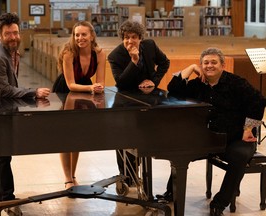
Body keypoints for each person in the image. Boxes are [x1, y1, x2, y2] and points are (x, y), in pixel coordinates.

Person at [166, 47, 266, 216]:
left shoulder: (236, 83)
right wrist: (190, 68)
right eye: (205, 63)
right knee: (180, 151)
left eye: (214, 62)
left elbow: (259, 100)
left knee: (239, 156)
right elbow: (173, 90)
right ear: (201, 66)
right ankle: (171, 192)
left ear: (222, 65)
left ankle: (219, 203)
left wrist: (248, 128)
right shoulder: (197, 84)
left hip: (235, 138)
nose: (209, 66)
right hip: (206, 138)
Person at [0, 12, 50, 203]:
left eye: (16, 33)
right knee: (2, 156)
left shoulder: (9, 51)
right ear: (0, 34)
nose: (14, 37)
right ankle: (7, 198)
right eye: (8, 33)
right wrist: (33, 92)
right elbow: (5, 90)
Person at [107, 20, 170, 186]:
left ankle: (137, 172)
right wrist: (134, 61)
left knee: (142, 137)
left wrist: (154, 81)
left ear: (140, 38)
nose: (129, 41)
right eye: (126, 37)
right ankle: (126, 176)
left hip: (147, 99)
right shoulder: (115, 56)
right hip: (125, 101)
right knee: (123, 140)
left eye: (133, 37)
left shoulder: (149, 46)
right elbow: (121, 83)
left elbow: (165, 62)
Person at [53, 21, 106, 189]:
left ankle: (73, 175)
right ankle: (67, 178)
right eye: (77, 35)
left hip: (86, 90)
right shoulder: (69, 53)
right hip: (65, 91)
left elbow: (101, 82)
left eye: (84, 34)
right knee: (64, 135)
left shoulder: (99, 53)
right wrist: (92, 87)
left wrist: (98, 88)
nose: (80, 38)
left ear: (91, 36)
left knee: (77, 135)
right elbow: (70, 85)